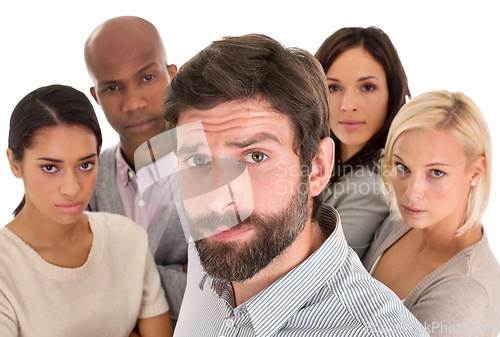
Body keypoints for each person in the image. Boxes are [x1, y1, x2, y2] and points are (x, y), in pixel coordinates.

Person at [164, 34, 429, 336]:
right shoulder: (216, 242)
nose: (216, 200)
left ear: (317, 168)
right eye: (197, 161)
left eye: (255, 156)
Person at [1, 84, 172, 337]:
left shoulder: (128, 238)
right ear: (15, 164)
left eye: (85, 165)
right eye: (50, 168)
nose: (71, 189)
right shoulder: (5, 267)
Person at [363, 90, 500, 336]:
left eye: (436, 172)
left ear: (476, 172)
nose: (412, 192)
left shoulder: (465, 290)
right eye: (402, 166)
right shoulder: (400, 220)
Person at [83, 16, 187, 322]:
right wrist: (177, 273)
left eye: (147, 78)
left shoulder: (215, 166)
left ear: (172, 76)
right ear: (96, 97)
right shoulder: (83, 176)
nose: (133, 103)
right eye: (113, 87)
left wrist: (115, 276)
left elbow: (227, 294)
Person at [314, 26, 410, 258]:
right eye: (334, 87)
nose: (348, 104)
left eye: (367, 87)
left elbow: (320, 274)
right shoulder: (327, 159)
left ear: (392, 92)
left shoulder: (372, 186)